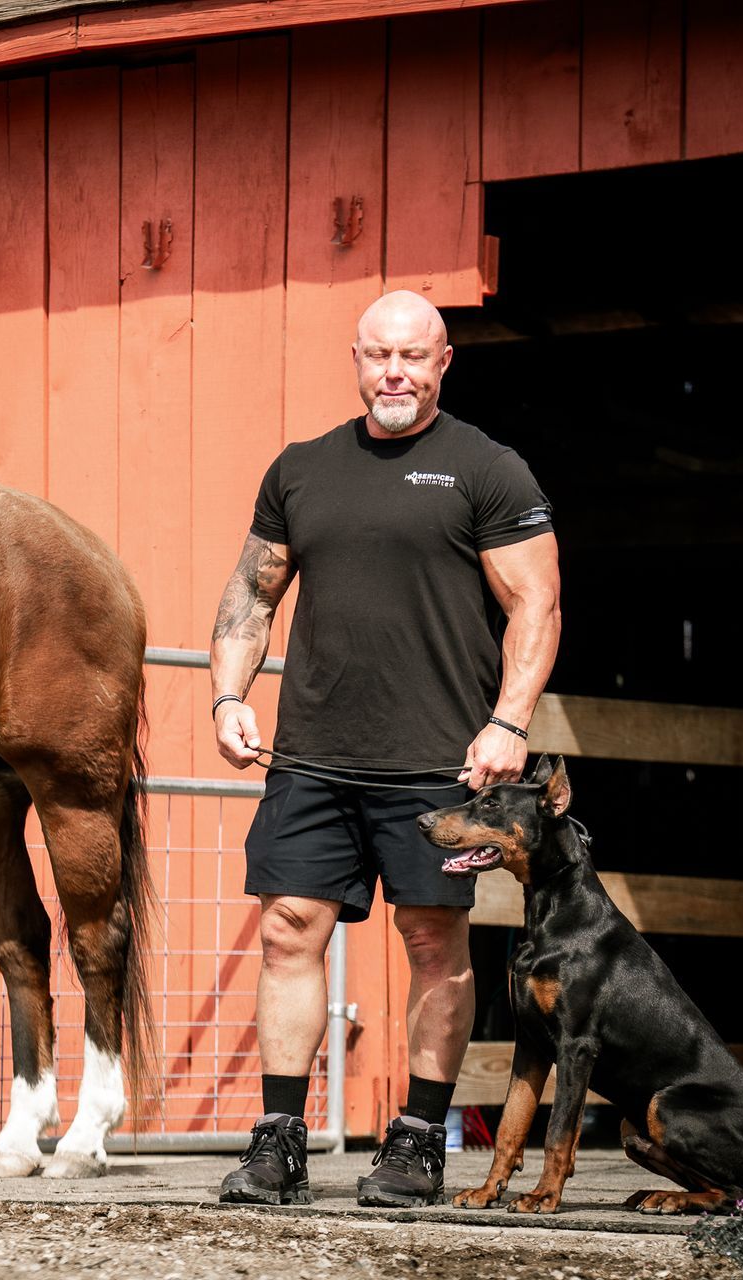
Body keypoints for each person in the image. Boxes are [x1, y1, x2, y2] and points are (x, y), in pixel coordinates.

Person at [208, 290, 560, 1208]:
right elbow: (253, 593)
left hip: (438, 762)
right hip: (314, 754)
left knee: (433, 940)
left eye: (414, 356)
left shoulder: (488, 470)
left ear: (445, 362)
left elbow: (537, 603)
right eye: (378, 356)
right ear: (356, 359)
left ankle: (416, 1142)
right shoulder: (303, 469)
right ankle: (277, 1141)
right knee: (290, 929)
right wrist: (227, 694)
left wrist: (510, 721)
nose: (394, 373)